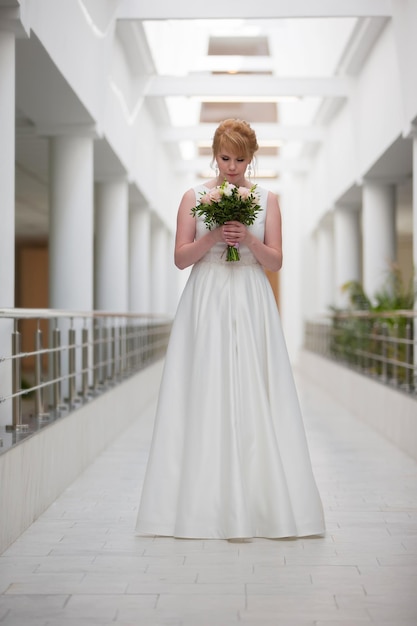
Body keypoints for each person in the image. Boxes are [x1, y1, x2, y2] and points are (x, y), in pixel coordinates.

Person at [135, 119, 325, 539]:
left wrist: (250, 242)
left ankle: (262, 502)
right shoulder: (194, 196)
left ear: (252, 159)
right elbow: (181, 258)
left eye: (241, 159)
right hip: (206, 298)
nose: (233, 166)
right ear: (214, 153)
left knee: (256, 386)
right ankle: (201, 505)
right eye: (225, 157)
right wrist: (215, 236)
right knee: (204, 386)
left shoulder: (268, 199)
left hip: (252, 298)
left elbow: (275, 261)